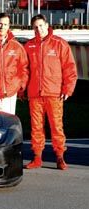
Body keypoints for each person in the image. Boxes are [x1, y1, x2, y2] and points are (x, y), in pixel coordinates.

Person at [24, 14, 78, 170]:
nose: (38, 29)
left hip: (54, 93)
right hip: (35, 94)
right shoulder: (29, 46)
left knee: (56, 126)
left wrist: (68, 88)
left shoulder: (59, 44)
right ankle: (37, 157)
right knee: (36, 127)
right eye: (35, 27)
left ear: (47, 25)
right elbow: (24, 70)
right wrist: (22, 89)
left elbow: (69, 68)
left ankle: (60, 157)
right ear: (32, 29)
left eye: (41, 25)